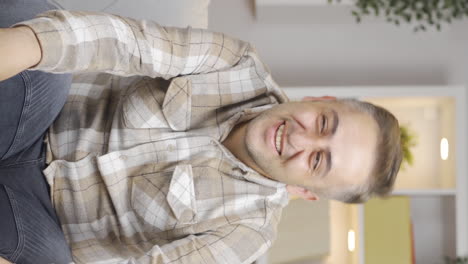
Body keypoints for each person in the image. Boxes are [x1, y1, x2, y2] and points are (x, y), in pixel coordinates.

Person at [0, 1, 403, 263]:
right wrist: (24, 46)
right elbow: (127, 43)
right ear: (322, 99)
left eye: (318, 160)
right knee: (42, 38)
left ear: (309, 192)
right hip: (31, 115)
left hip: (39, 222)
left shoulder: (246, 236)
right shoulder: (237, 64)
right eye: (323, 124)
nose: (299, 139)